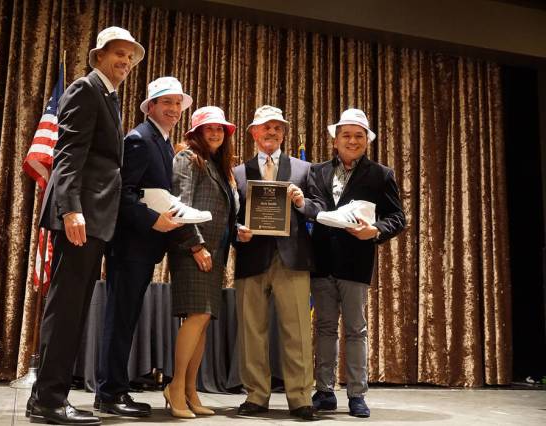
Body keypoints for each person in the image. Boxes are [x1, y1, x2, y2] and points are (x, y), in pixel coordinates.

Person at [28, 26, 144, 426]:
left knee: (74, 309)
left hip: (95, 219)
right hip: (80, 216)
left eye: (130, 57)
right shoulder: (85, 89)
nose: (125, 62)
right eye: (118, 54)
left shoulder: (109, 97)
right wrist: (70, 209)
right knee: (66, 309)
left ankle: (44, 396)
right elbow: (67, 154)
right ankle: (49, 400)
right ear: (98, 56)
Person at [95, 77, 192, 417]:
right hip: (130, 245)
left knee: (125, 317)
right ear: (150, 106)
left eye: (179, 103)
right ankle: (110, 394)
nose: (174, 109)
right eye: (167, 102)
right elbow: (122, 195)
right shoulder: (139, 139)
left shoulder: (163, 142)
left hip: (143, 247)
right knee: (120, 319)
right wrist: (153, 219)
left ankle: (112, 390)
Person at [310, 108, 406, 418]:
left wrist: (375, 230)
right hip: (321, 262)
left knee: (355, 330)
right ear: (335, 140)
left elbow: (398, 218)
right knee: (323, 328)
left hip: (356, 263)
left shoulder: (381, 174)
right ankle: (323, 391)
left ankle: (356, 394)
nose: (352, 140)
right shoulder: (316, 171)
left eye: (359, 136)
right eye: (346, 135)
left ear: (367, 141)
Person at [233, 105, 325, 421]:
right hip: (251, 259)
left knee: (297, 331)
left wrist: (303, 202)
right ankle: (256, 396)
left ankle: (300, 398)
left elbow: (320, 209)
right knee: (251, 332)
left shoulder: (303, 169)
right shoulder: (238, 173)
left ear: (284, 133)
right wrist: (237, 232)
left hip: (293, 259)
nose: (271, 132)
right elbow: (230, 218)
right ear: (253, 133)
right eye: (265, 127)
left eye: (277, 128)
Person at [164, 106, 238, 418]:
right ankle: (175, 386)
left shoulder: (219, 166)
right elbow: (180, 204)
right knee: (196, 317)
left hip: (215, 253)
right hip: (193, 249)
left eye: (220, 128)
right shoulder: (186, 158)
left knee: (203, 320)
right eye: (209, 128)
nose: (215, 132)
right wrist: (196, 245)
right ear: (196, 132)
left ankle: (191, 390)